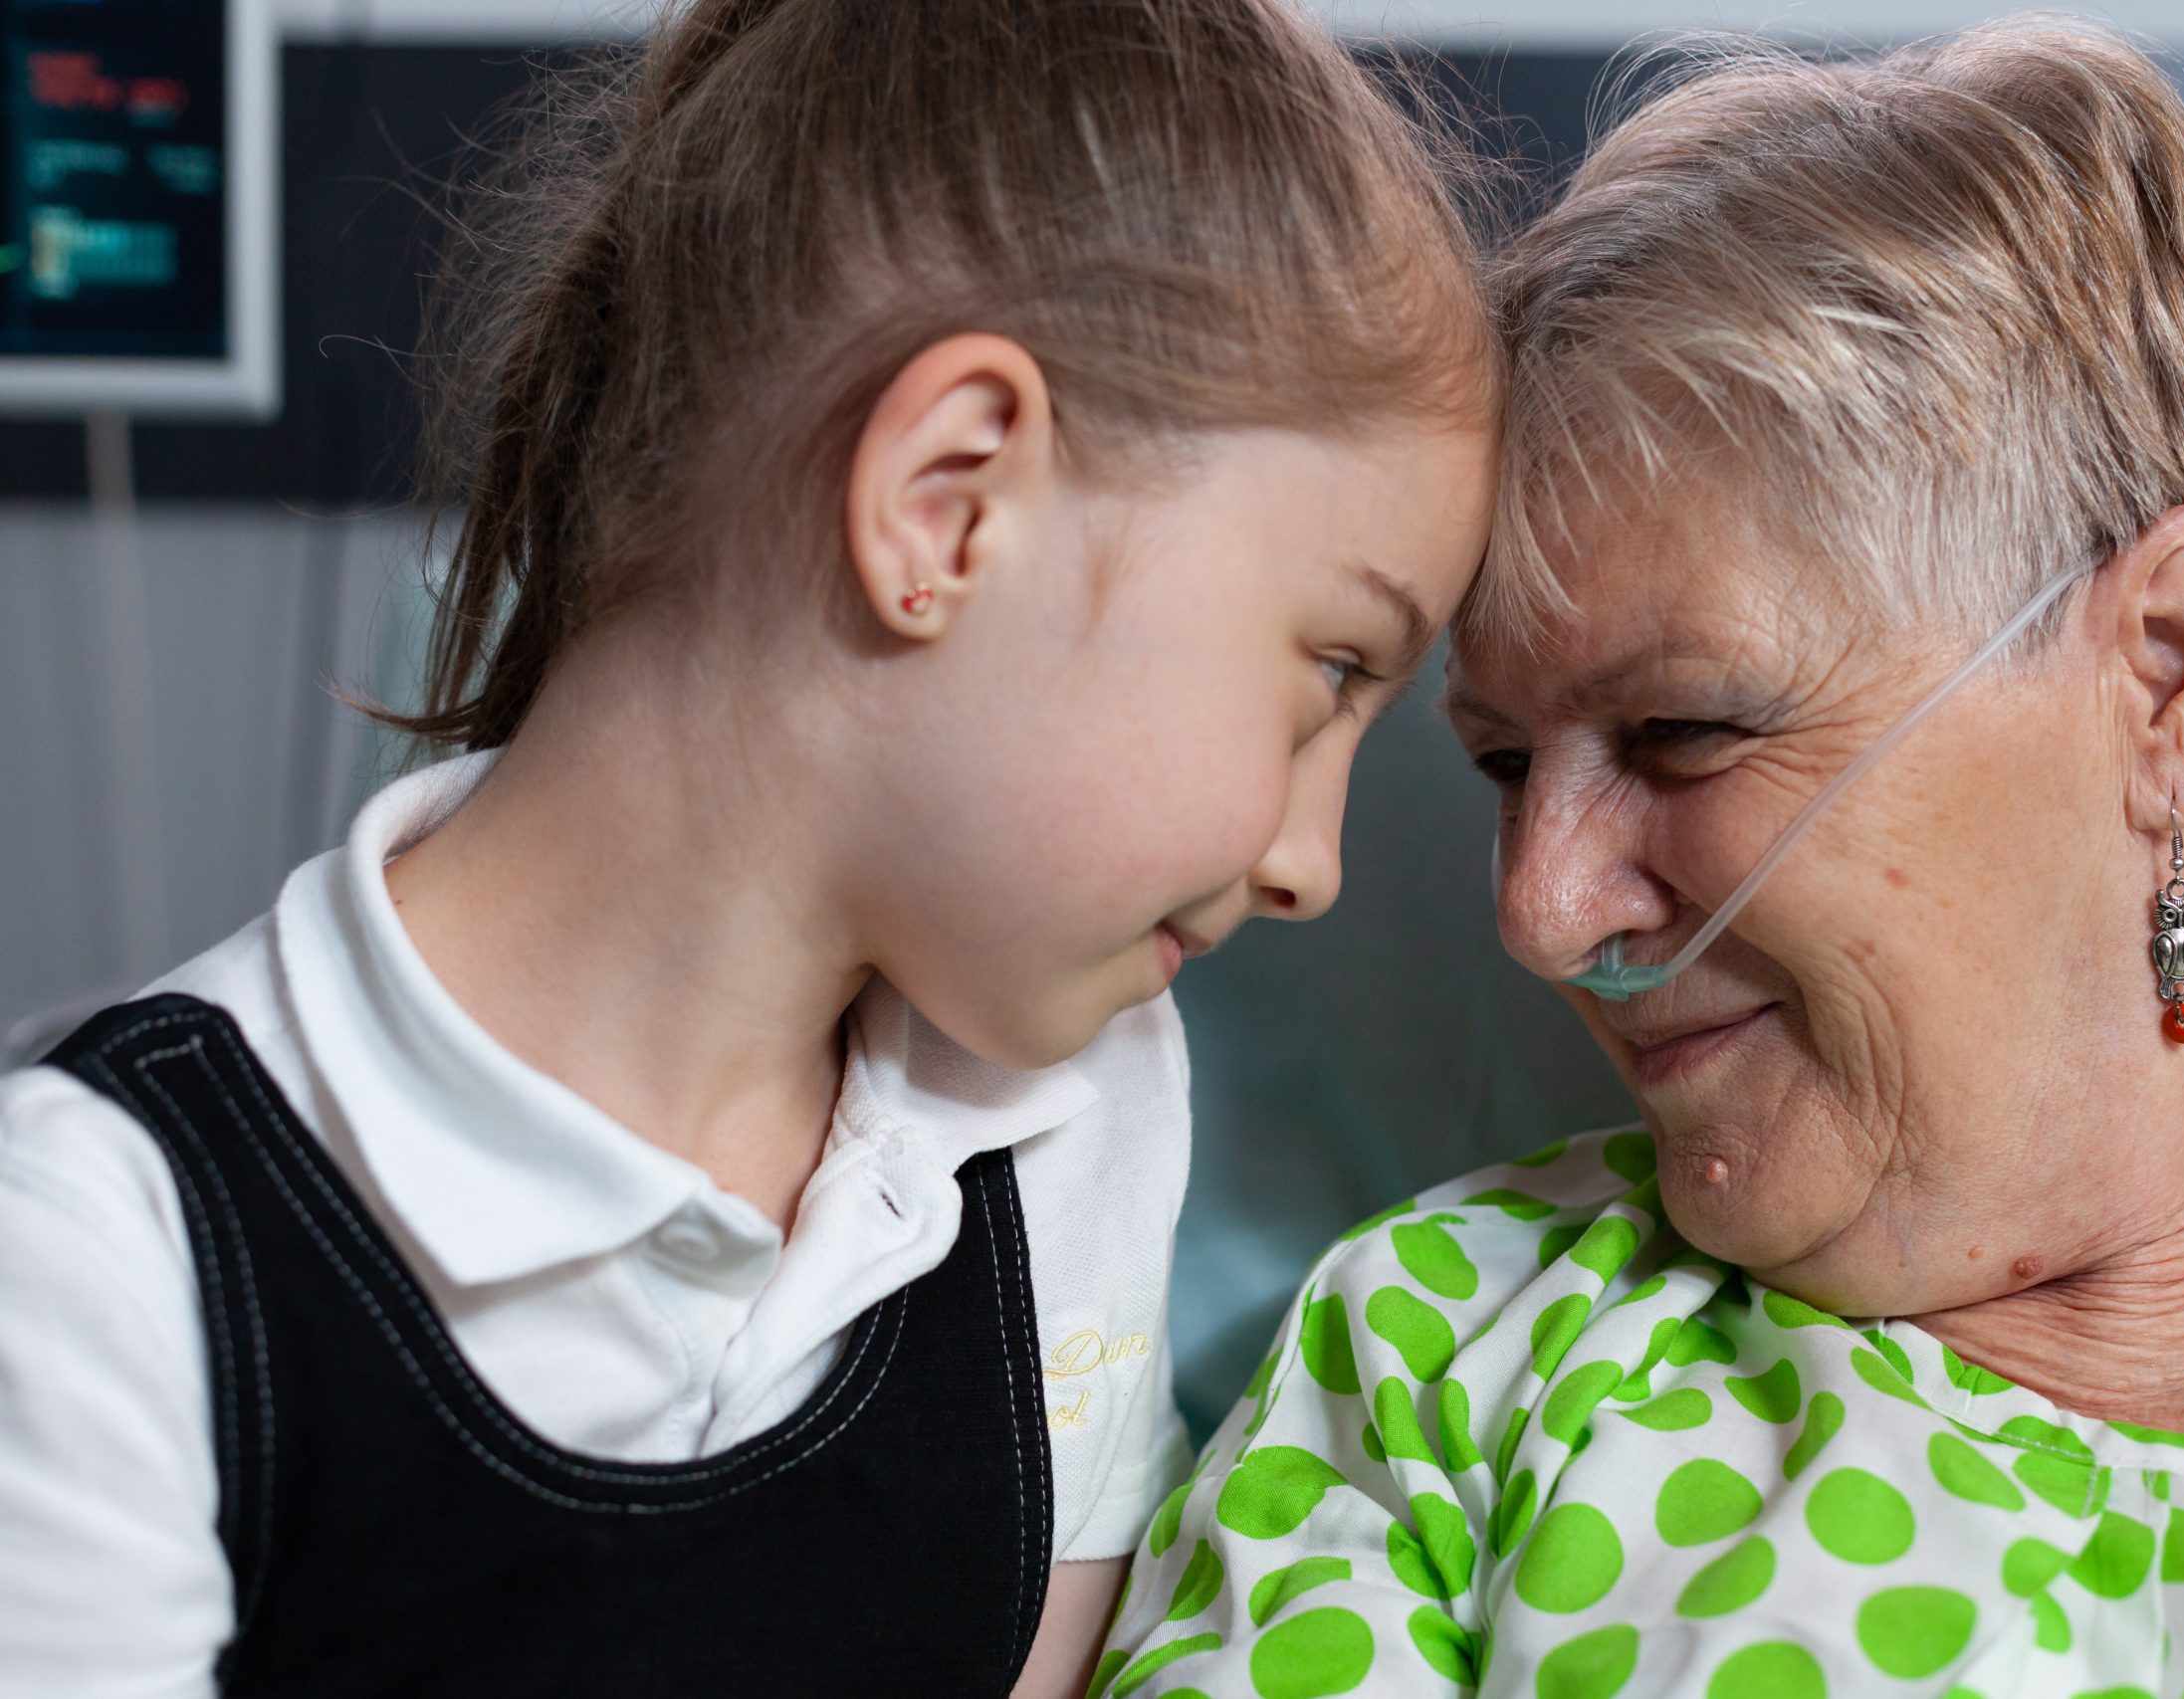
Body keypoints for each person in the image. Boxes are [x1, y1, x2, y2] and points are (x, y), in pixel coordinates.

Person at [0, 2, 1499, 1693]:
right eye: (1328, 675)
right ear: (948, 508)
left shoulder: (1077, 1122)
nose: (1317, 864)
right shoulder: (91, 1256)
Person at [1095, 21, 2184, 1698]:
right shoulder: (1438, 1364)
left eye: (1686, 733)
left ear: (2164, 671)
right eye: (1502, 764)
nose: (1542, 911)